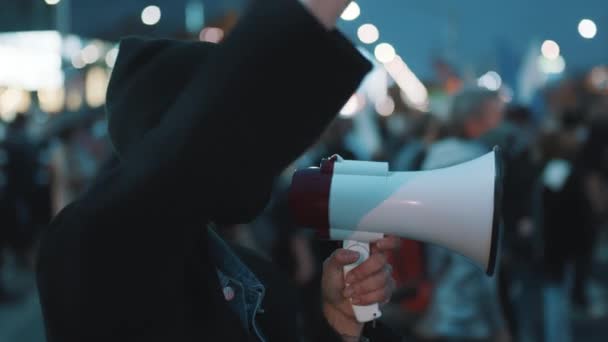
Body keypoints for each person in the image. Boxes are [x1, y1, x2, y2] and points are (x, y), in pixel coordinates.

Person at [36, 0, 400, 341]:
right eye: (243, 133)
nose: (263, 156)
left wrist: (335, 326)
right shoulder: (91, 247)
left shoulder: (255, 273)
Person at [414, 87, 508, 342]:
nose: (500, 121)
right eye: (494, 114)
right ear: (473, 120)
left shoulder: (436, 157)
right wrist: (497, 323)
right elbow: (480, 257)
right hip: (468, 315)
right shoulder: (475, 167)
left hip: (443, 305)